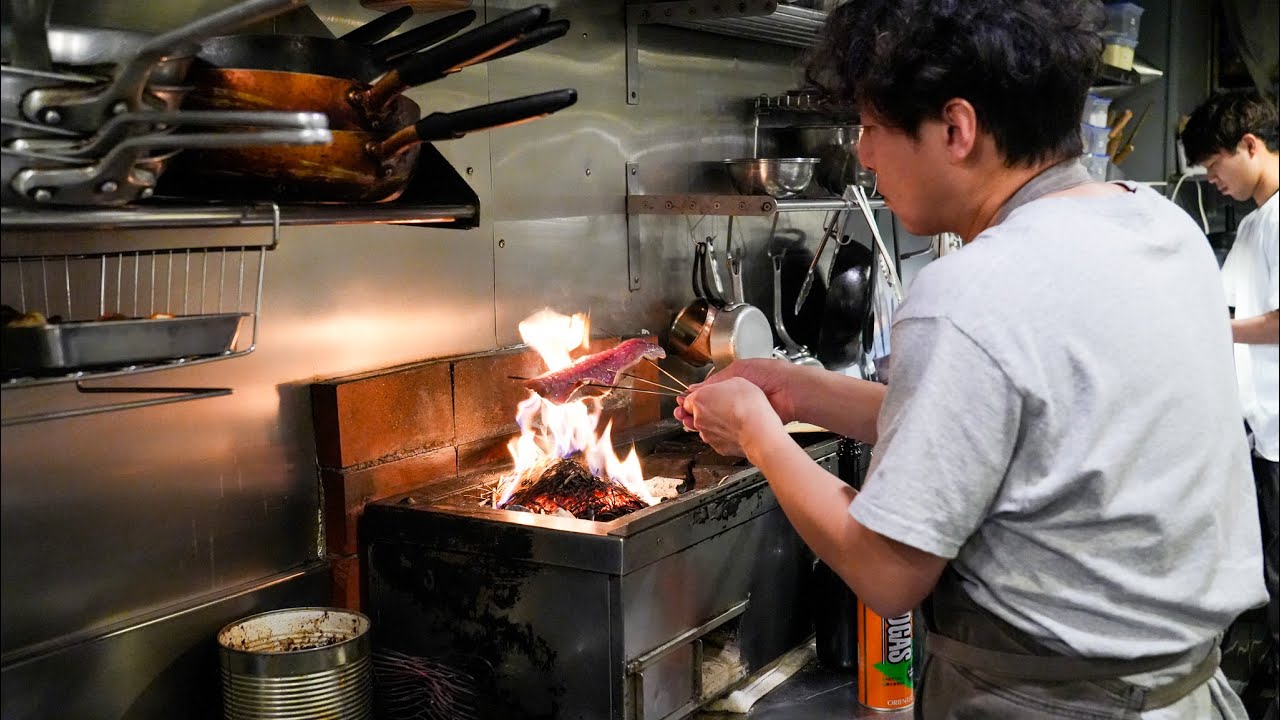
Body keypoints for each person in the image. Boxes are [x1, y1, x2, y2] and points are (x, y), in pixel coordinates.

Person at [673, 1, 1268, 718]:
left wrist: (757, 435)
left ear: (956, 129)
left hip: (1051, 702)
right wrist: (794, 392)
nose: (861, 154)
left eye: (870, 128)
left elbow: (887, 571)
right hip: (1188, 693)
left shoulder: (972, 289)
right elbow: (1021, 433)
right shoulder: (1156, 224)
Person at [1182, 90, 1280, 720]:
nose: (1213, 181)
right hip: (1263, 432)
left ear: (1251, 145)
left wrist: (1212, 330)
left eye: (1214, 165)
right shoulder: (1254, 222)